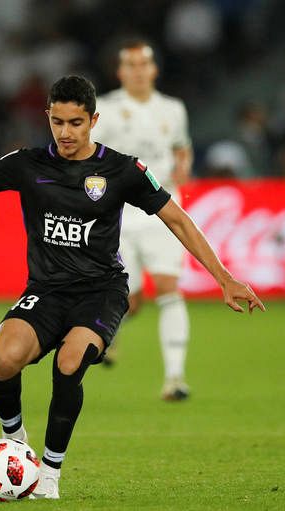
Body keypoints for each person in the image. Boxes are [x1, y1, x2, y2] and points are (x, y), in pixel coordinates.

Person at [0, 75, 265, 499]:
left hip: (101, 291)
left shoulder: (123, 170)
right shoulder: (28, 164)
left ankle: (50, 475)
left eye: (76, 123)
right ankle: (17, 440)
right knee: (4, 360)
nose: (65, 132)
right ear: (48, 117)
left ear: (93, 120)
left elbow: (176, 218)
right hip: (46, 290)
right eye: (58, 121)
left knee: (69, 363)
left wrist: (224, 278)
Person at [90, 39, 194, 400]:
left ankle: (175, 379)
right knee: (130, 300)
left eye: (143, 63)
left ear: (154, 69)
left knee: (168, 287)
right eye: (130, 64)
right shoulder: (104, 108)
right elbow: (89, 156)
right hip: (121, 212)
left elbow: (182, 145)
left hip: (164, 205)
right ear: (121, 72)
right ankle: (113, 336)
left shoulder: (173, 109)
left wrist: (184, 164)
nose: (137, 70)